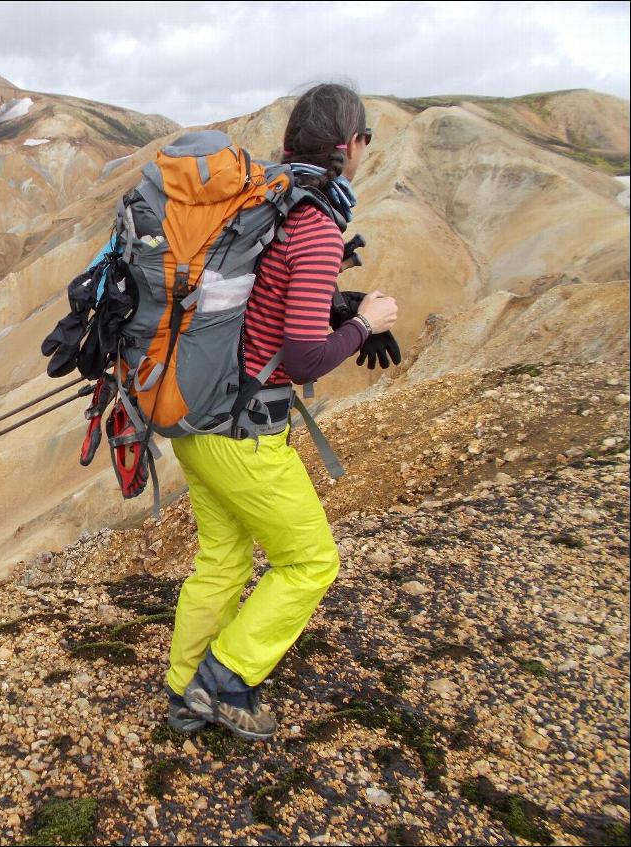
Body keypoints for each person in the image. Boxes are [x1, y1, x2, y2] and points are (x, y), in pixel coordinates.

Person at [164, 83, 400, 740]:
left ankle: (185, 692)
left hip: (194, 416)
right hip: (244, 433)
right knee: (311, 560)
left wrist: (344, 308)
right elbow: (300, 357)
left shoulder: (269, 201)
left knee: (222, 556)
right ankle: (225, 681)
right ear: (349, 146)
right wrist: (365, 323)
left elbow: (270, 302)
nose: (365, 153)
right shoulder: (318, 223)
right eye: (366, 142)